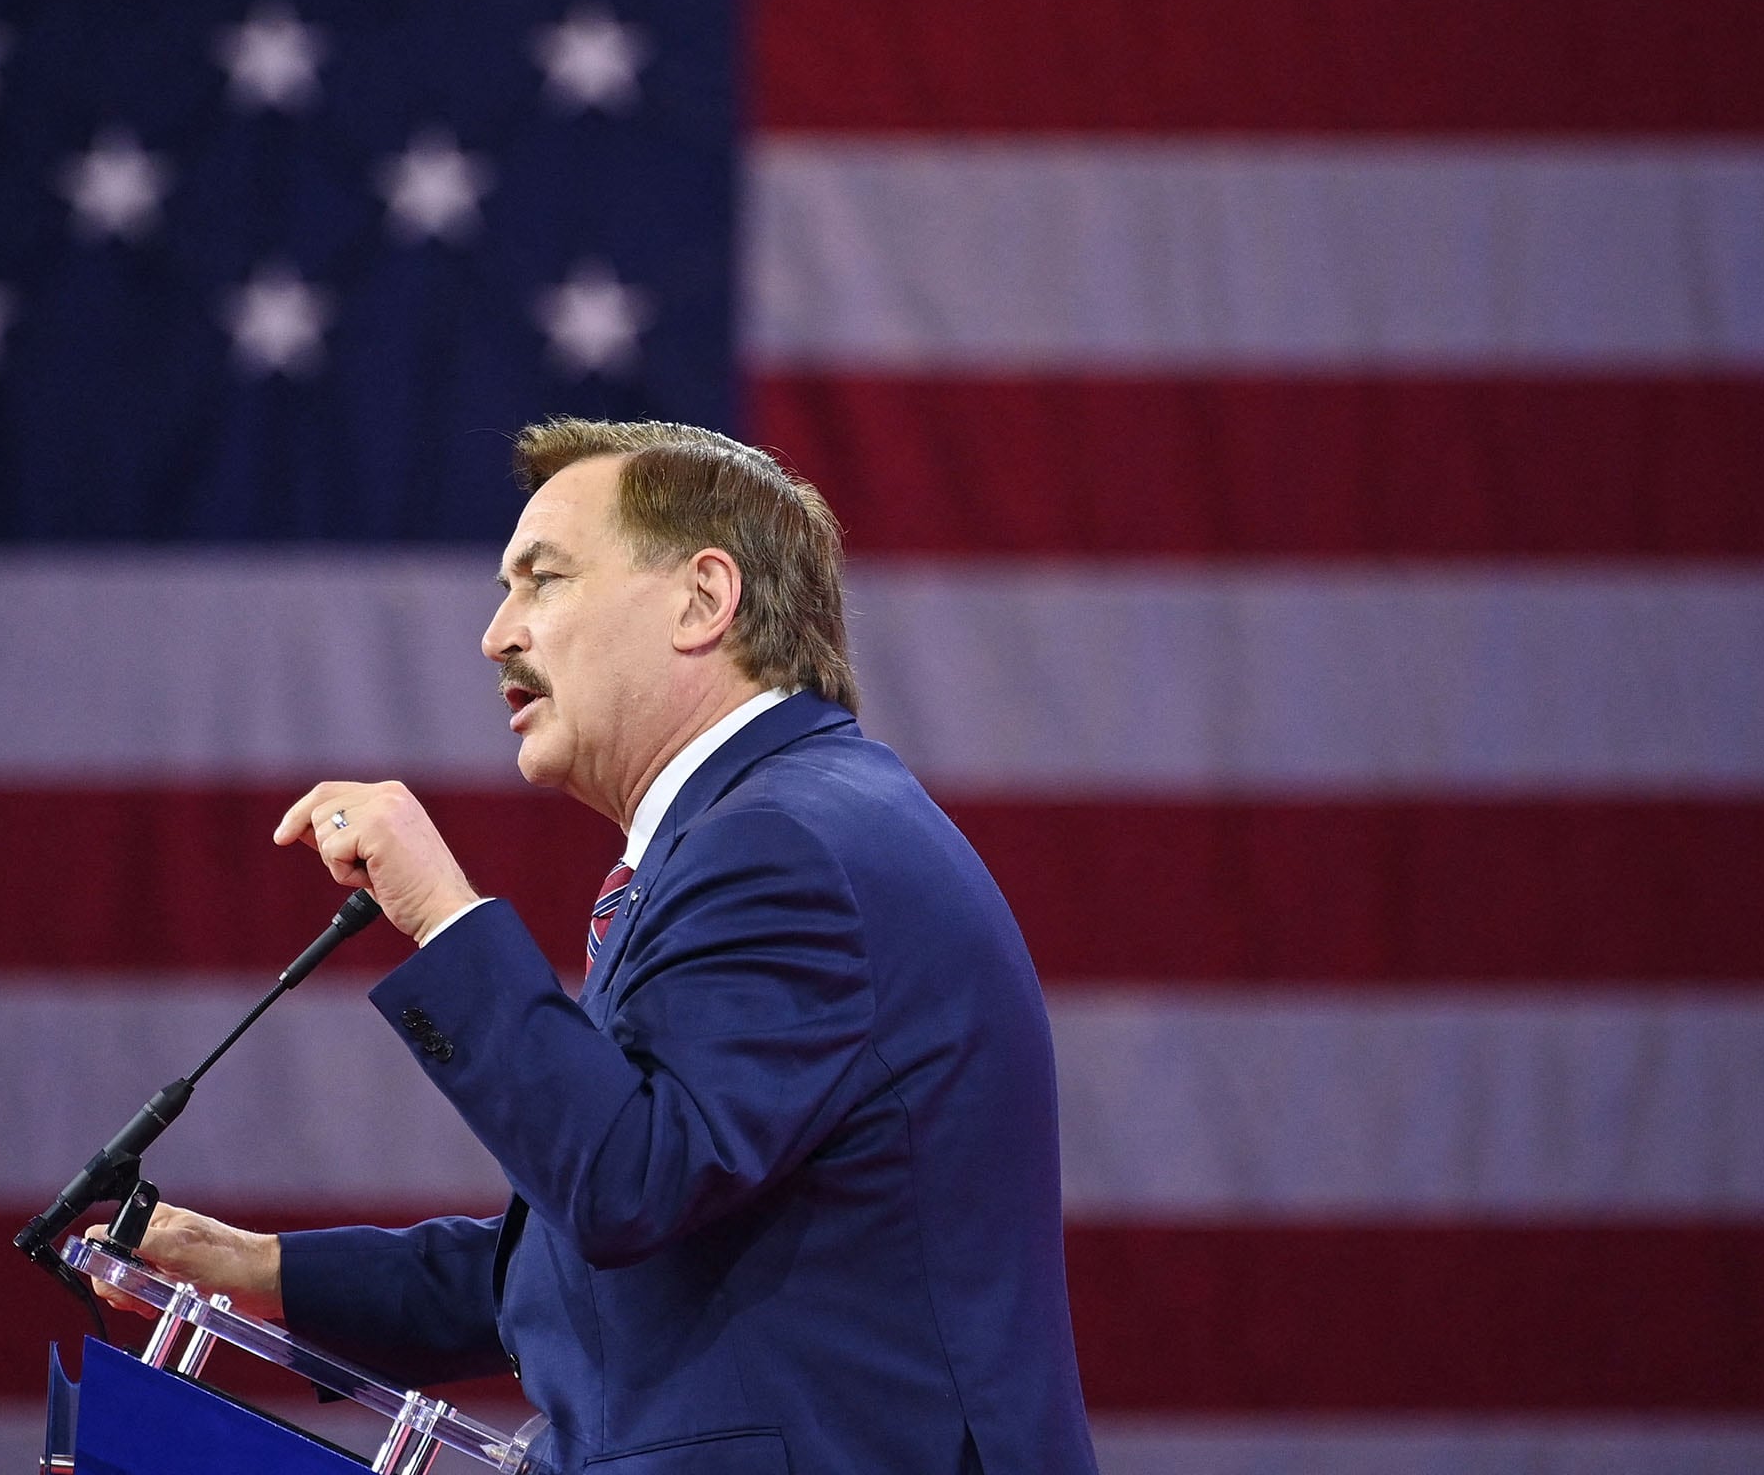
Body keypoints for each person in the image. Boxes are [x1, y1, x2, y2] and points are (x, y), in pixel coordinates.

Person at [98, 418, 1096, 1473]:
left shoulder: (783, 841)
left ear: (704, 601)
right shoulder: (773, 822)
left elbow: (630, 1181)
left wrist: (443, 913)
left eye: (544, 577)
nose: (497, 633)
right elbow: (592, 1251)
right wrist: (252, 1265)